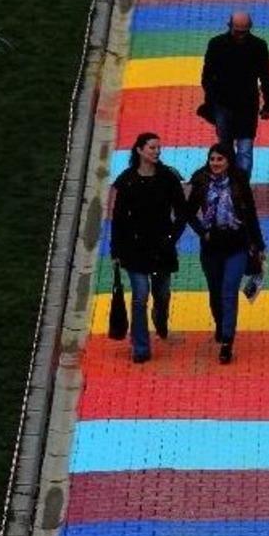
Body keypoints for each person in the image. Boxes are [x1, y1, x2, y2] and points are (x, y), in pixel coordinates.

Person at [109, 132, 187, 363]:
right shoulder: (127, 181)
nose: (157, 151)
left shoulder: (167, 178)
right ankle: (141, 347)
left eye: (158, 148)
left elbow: (181, 211)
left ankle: (160, 318)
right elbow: (119, 219)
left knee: (161, 294)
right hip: (136, 248)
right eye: (152, 147)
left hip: (162, 246)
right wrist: (116, 250)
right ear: (140, 150)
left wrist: (172, 237)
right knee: (140, 296)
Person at [186, 143, 266, 365]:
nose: (215, 164)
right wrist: (203, 232)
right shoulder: (201, 181)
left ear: (229, 161)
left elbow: (250, 214)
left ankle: (227, 342)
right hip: (211, 246)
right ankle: (221, 325)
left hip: (236, 243)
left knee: (229, 291)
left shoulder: (239, 182)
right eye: (212, 159)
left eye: (220, 159)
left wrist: (258, 246)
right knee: (215, 291)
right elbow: (188, 213)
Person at [200, 10, 269, 176]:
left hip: (247, 106)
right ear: (229, 26)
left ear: (250, 28)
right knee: (225, 149)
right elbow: (206, 76)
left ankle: (242, 189)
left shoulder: (258, 46)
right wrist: (213, 100)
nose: (241, 35)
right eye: (237, 31)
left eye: (244, 31)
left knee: (245, 150)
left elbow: (265, 76)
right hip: (223, 105)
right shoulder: (216, 44)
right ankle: (228, 185)